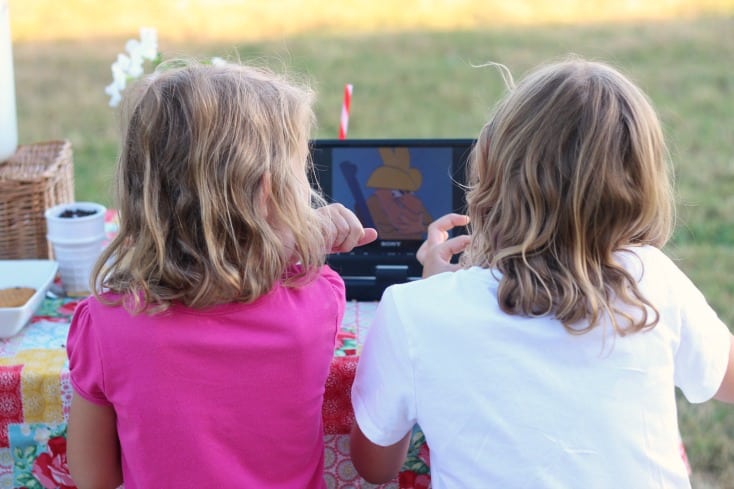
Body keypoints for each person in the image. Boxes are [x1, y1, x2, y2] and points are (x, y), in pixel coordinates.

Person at [349, 57, 734, 488]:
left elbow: (375, 467)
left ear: (490, 163)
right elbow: (728, 379)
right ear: (641, 181)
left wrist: (439, 292)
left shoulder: (413, 311)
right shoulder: (652, 277)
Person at [65, 60, 377, 489]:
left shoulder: (103, 324)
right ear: (269, 193)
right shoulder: (317, 302)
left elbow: (93, 477)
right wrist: (304, 240)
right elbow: (305, 276)